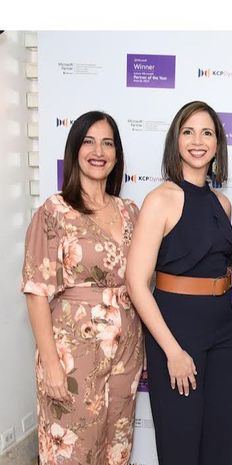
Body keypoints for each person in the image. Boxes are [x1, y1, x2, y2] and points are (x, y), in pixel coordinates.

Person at [21, 111, 143, 465]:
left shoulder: (131, 212)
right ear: (74, 149)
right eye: (88, 141)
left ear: (117, 155)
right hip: (72, 355)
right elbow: (35, 291)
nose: (98, 150)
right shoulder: (54, 211)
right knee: (72, 453)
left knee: (115, 451)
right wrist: (52, 364)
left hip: (126, 355)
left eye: (108, 143)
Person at [126, 101, 232, 465]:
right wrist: (172, 351)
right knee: (180, 446)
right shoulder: (160, 200)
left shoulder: (223, 204)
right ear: (176, 140)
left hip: (224, 332)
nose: (197, 141)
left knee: (218, 443)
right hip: (175, 332)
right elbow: (137, 283)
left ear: (218, 143)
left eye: (207, 132)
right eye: (188, 131)